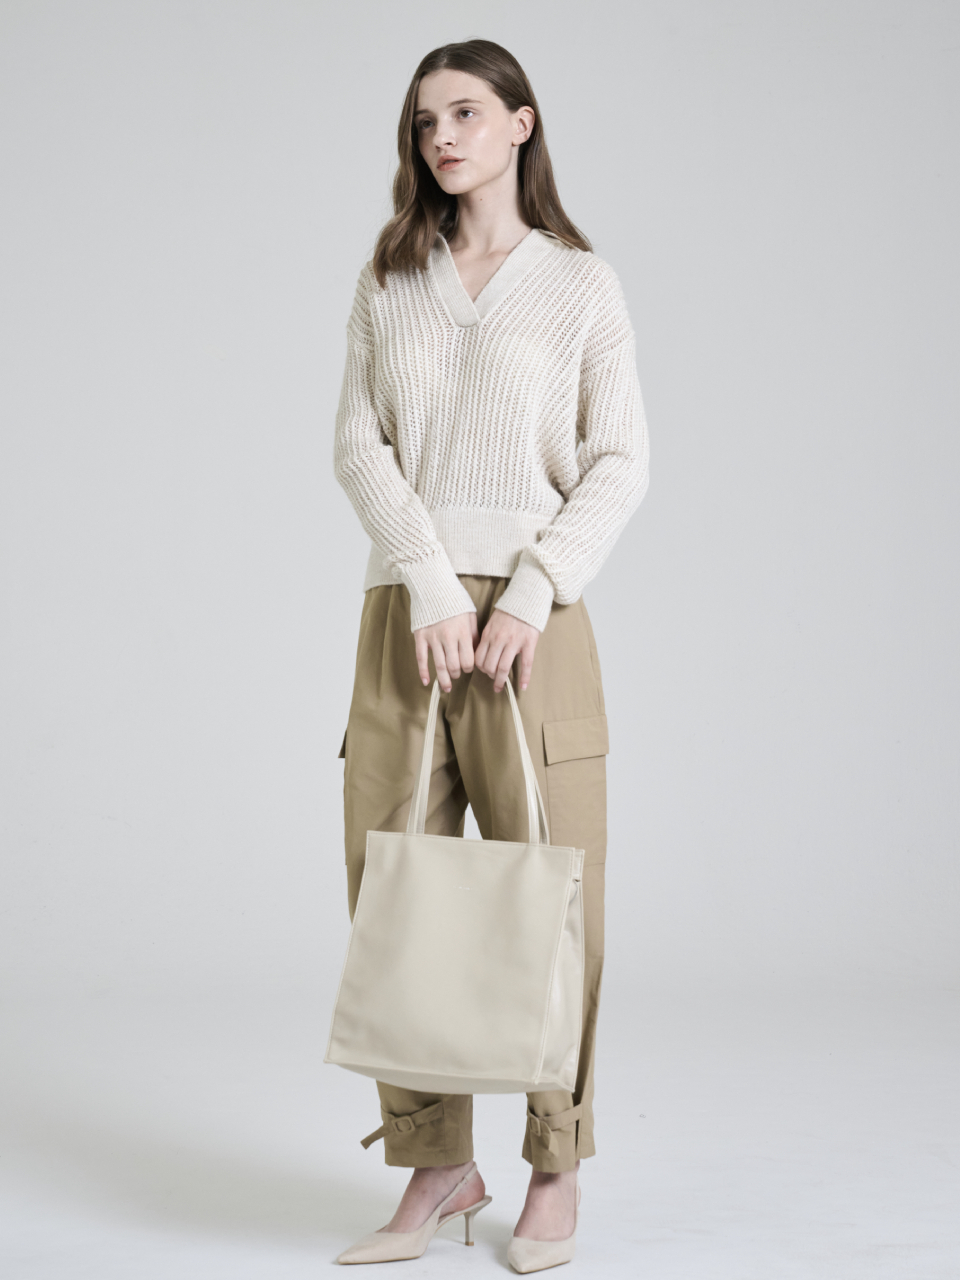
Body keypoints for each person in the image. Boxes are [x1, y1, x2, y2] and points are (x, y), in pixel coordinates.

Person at [331, 37, 650, 1272]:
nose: (442, 138)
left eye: (465, 113)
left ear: (521, 122)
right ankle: (435, 1161)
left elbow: (620, 459)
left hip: (533, 625)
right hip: (408, 618)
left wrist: (531, 588)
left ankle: (553, 1162)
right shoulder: (391, 279)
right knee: (395, 888)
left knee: (557, 893)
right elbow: (359, 444)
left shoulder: (580, 284)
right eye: (425, 121)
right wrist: (427, 580)